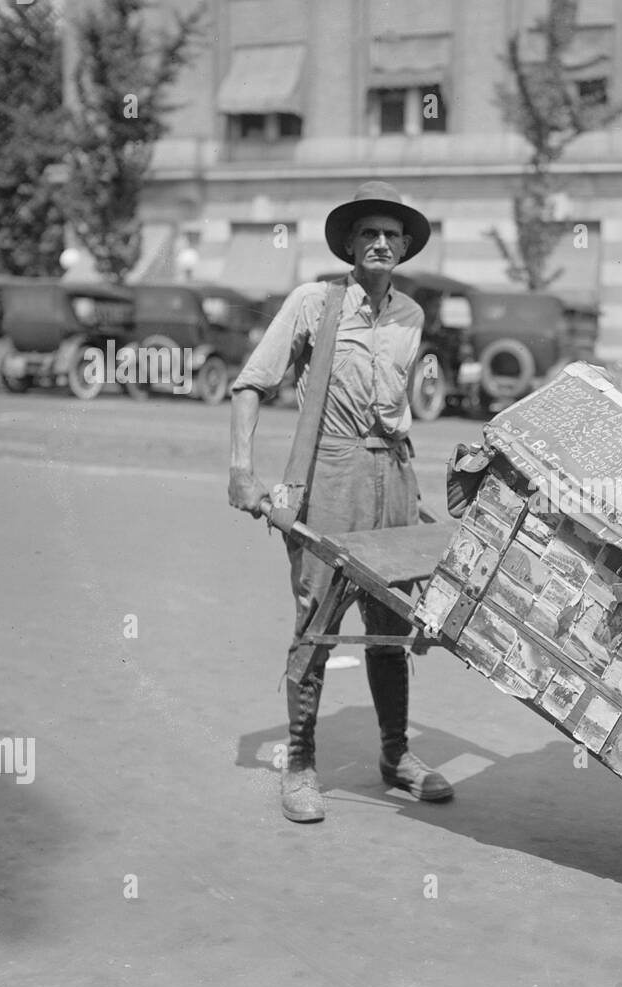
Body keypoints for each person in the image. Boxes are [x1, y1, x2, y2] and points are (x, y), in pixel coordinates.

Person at [227, 180, 453, 823]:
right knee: (318, 618)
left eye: (392, 235)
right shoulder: (314, 303)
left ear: (405, 247)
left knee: (391, 623)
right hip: (329, 475)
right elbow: (251, 385)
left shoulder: (412, 317)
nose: (380, 243)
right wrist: (243, 472)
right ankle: (299, 765)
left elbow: (405, 401)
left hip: (395, 478)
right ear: (351, 244)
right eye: (368, 234)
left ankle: (396, 757)